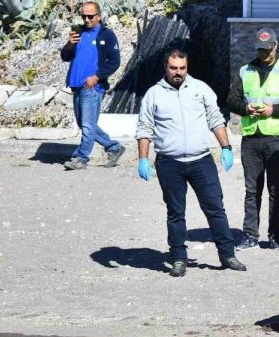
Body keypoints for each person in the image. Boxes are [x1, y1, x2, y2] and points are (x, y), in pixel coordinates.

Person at [135, 48, 246, 277]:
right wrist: (143, 158)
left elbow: (215, 118)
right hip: (169, 162)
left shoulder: (200, 89)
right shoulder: (153, 94)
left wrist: (226, 147)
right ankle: (178, 258)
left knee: (215, 209)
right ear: (166, 67)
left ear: (187, 67)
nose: (178, 73)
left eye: (182, 68)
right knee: (175, 212)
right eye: (174, 68)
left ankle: (227, 255)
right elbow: (145, 128)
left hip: (201, 161)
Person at [226, 28, 279, 251]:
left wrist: (273, 110)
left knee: (277, 190)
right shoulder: (245, 71)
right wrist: (245, 108)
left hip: (278, 138)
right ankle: (250, 236)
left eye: (267, 50)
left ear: (275, 46)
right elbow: (231, 99)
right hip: (251, 138)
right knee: (251, 190)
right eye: (260, 50)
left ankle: (275, 236)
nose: (264, 53)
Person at [60, 1, 125, 170]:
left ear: (99, 16)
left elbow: (115, 61)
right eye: (84, 16)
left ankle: (80, 158)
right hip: (76, 85)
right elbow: (65, 56)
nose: (87, 19)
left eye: (90, 16)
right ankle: (114, 147)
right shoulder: (79, 32)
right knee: (85, 124)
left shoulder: (107, 35)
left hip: (92, 87)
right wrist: (70, 44)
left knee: (88, 126)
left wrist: (96, 77)